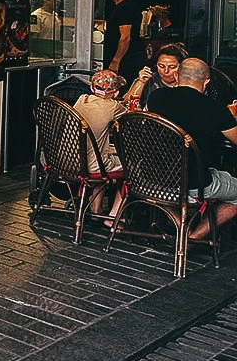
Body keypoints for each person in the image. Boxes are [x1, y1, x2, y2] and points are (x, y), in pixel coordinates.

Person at [146, 58, 237, 237]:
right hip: (194, 182)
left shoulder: (156, 97)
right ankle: (193, 237)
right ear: (207, 82)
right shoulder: (214, 108)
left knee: (160, 191)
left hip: (153, 178)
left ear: (177, 76)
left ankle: (181, 226)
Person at [74, 70, 127, 215]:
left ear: (92, 88)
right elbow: (130, 117)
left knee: (102, 157)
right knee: (128, 167)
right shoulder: (113, 106)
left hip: (68, 162)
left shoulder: (82, 99)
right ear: (115, 93)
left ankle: (96, 208)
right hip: (93, 167)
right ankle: (115, 214)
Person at [122, 43, 187, 110]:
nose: (166, 71)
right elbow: (125, 104)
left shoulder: (188, 82)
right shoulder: (149, 79)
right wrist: (140, 82)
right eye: (161, 66)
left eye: (172, 67)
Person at [104, 0, 143, 85]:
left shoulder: (125, 8)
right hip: (128, 57)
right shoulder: (130, 7)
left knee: (122, 87)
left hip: (126, 59)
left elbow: (125, 37)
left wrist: (116, 61)